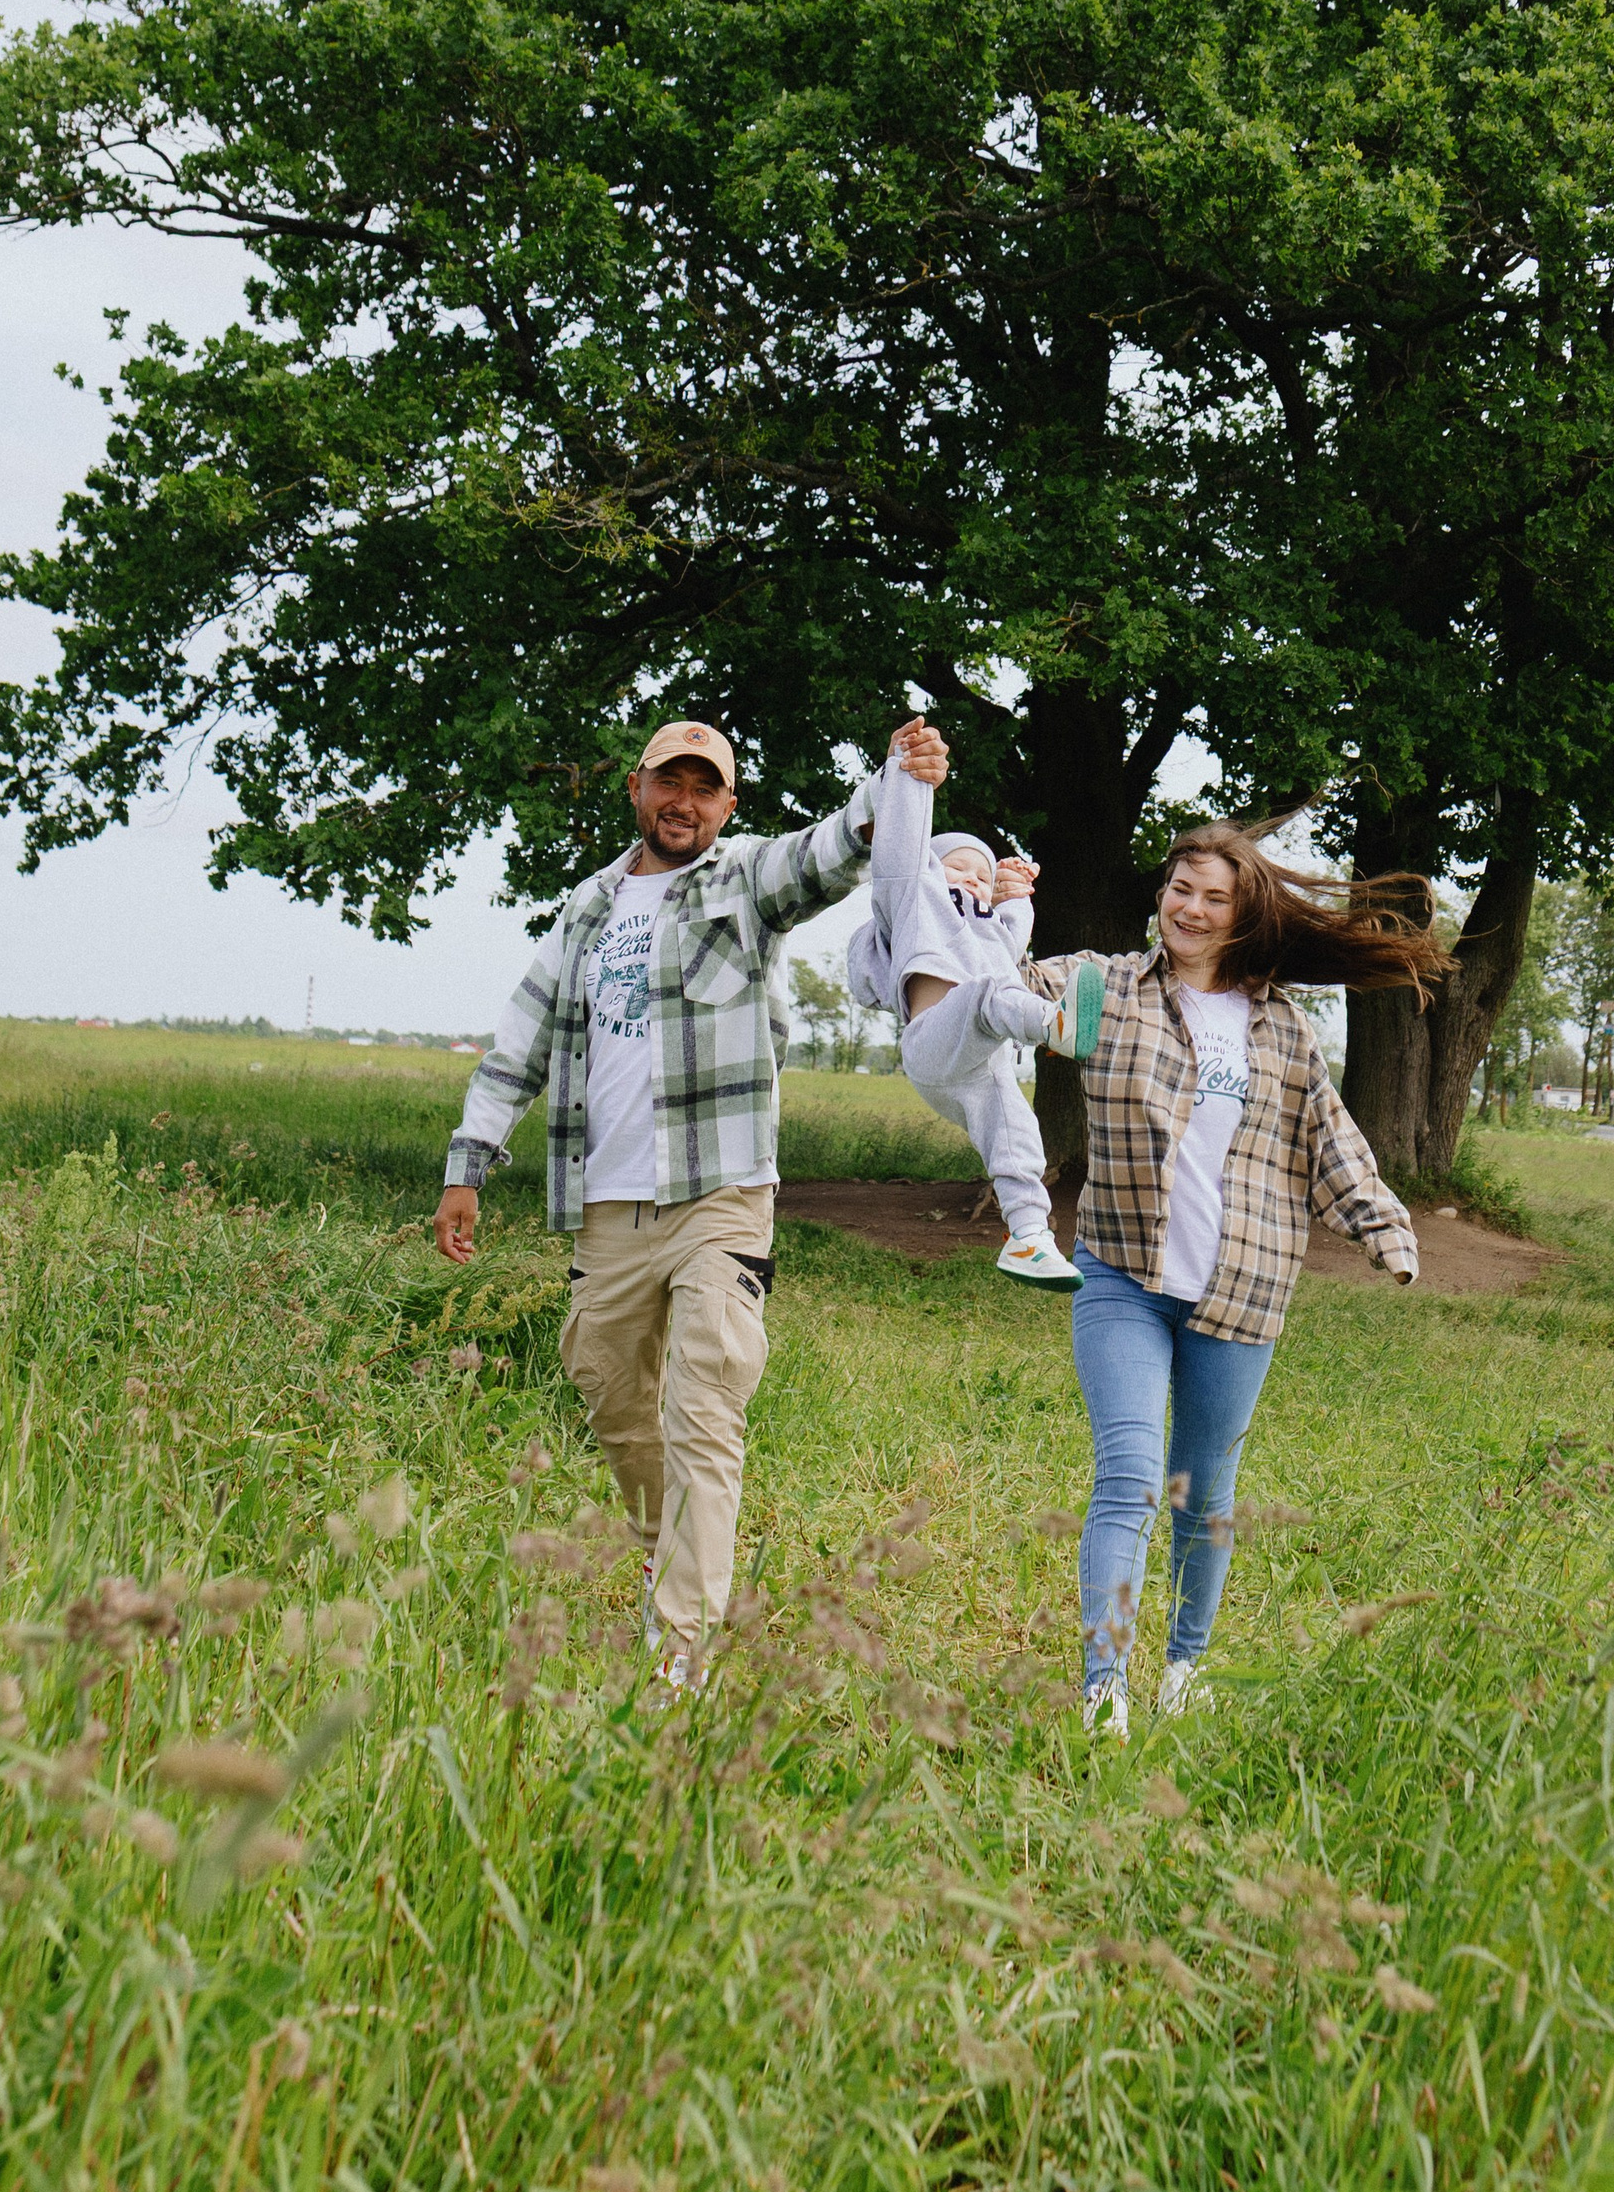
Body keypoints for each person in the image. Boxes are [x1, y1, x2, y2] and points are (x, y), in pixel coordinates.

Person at [433, 710, 949, 1687]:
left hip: (721, 1191)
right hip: (608, 1204)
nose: (684, 801)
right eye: (669, 781)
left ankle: (682, 1654)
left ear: (728, 804)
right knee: (605, 1383)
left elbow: (827, 852)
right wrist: (468, 1164)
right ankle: (663, 1542)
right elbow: (522, 1041)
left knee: (704, 1400)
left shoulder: (743, 878)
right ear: (636, 787)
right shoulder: (586, 907)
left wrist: (893, 791)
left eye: (705, 786)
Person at [1022, 820, 1451, 1736]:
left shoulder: (1281, 1027)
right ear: (1160, 894)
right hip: (1121, 1272)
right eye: (1182, 888)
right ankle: (1105, 1687)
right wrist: (981, 909)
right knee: (1132, 1475)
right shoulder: (1109, 986)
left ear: (1242, 913)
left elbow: (1326, 1134)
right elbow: (1011, 993)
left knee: (1204, 1488)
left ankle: (1183, 1663)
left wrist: (1383, 1226)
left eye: (1215, 896)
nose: (1192, 907)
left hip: (1243, 1283)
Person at [845, 747, 1101, 1285]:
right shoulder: (916, 902)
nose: (970, 880)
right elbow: (900, 858)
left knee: (1014, 1131)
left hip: (979, 1059)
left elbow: (1012, 937)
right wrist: (911, 786)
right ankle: (1056, 1027)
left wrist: (1014, 893)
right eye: (957, 869)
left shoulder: (990, 934)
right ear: (933, 871)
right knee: (989, 993)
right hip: (934, 1038)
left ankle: (1029, 1235)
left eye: (980, 878)